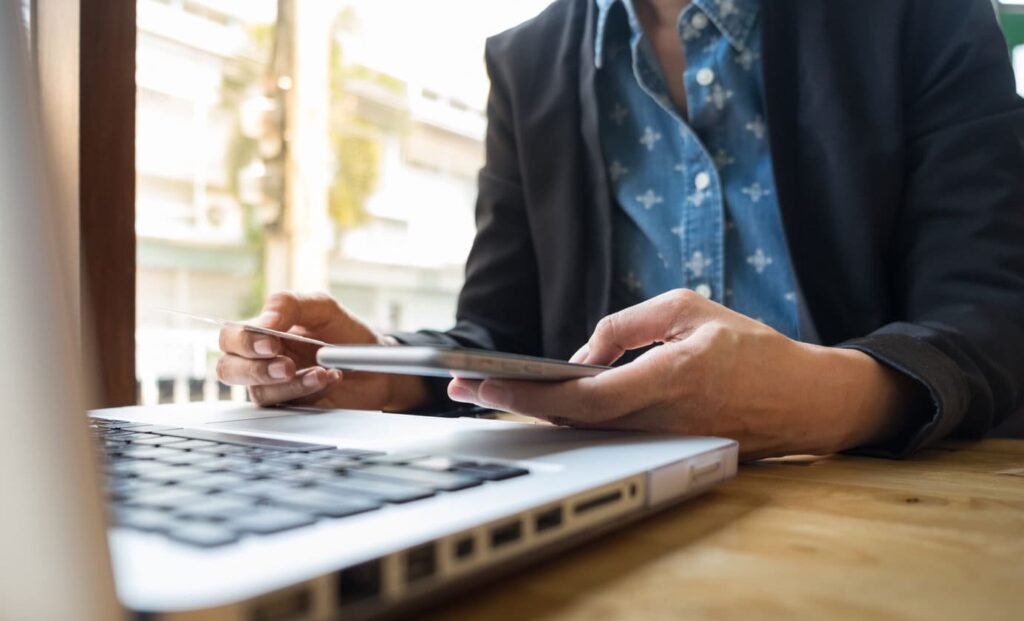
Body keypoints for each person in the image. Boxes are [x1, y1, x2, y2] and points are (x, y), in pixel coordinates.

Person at [217, 0, 1024, 460]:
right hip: (619, 509)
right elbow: (504, 330)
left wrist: (810, 397)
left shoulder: (920, 14)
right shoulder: (526, 62)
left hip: (890, 506)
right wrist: (387, 372)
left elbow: (992, 320)